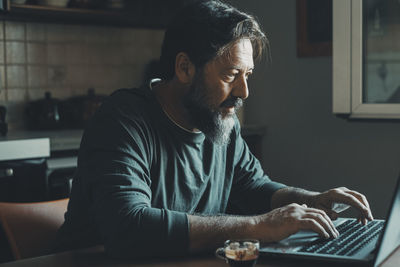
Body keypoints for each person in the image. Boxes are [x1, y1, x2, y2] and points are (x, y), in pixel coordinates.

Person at [55, 0, 373, 258]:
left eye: (247, 74)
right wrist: (259, 226)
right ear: (184, 67)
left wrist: (310, 199)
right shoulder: (123, 120)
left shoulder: (222, 122)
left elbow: (254, 188)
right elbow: (129, 227)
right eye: (231, 74)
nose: (244, 91)